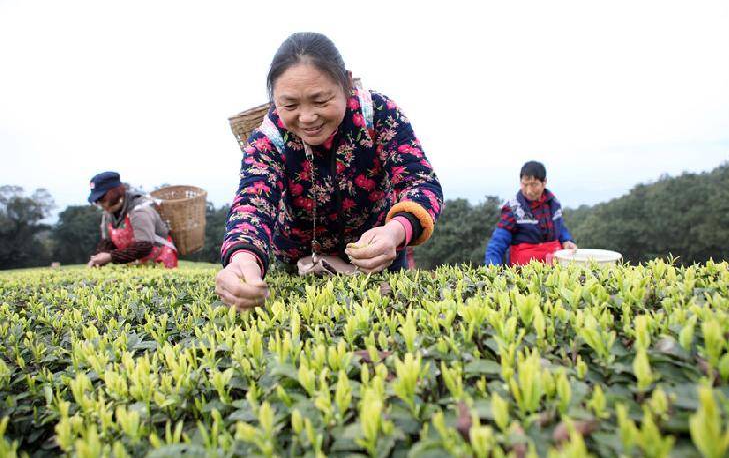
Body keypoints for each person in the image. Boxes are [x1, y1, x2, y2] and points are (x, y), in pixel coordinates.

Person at [216, 32, 443, 310]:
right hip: (300, 267)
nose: (307, 117)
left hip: (378, 258)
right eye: (290, 105)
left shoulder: (379, 114)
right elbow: (252, 206)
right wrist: (243, 261)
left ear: (346, 82)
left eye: (321, 101)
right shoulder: (267, 140)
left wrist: (396, 231)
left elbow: (420, 183)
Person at [485, 161, 576, 266]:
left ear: (544, 182)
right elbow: (497, 243)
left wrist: (566, 240)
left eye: (534, 185)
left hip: (554, 268)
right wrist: (492, 270)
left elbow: (560, 228)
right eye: (525, 184)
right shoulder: (513, 208)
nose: (529, 191)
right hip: (524, 272)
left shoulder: (554, 204)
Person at [87, 171, 178, 268]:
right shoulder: (108, 213)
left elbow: (144, 247)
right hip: (137, 264)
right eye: (97, 200)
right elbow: (108, 242)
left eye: (101, 198)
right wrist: (98, 258)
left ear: (114, 193)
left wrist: (111, 256)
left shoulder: (140, 209)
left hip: (160, 260)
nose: (99, 203)